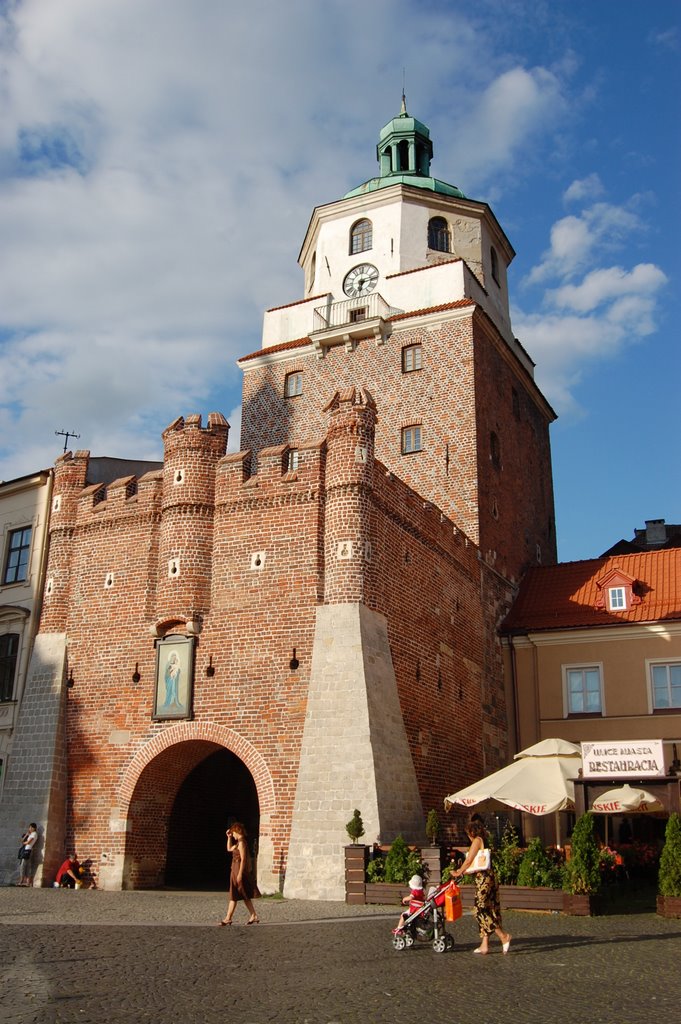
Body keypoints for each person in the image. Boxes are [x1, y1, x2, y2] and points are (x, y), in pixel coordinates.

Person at [451, 818, 511, 955]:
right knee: (489, 909)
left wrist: (458, 872)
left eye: (468, 833)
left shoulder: (477, 841)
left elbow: (469, 860)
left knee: (479, 910)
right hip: (488, 877)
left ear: (472, 832)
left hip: (484, 879)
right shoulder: (483, 840)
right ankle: (484, 945)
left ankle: (503, 936)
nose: (468, 836)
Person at [219, 822, 259, 925]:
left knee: (239, 893)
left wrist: (240, 873)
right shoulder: (238, 843)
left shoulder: (242, 843)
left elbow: (244, 859)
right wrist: (228, 838)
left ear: (237, 831)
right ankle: (252, 915)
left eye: (233, 833)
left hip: (238, 869)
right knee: (239, 894)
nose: (233, 835)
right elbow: (229, 849)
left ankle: (229, 918)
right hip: (235, 869)